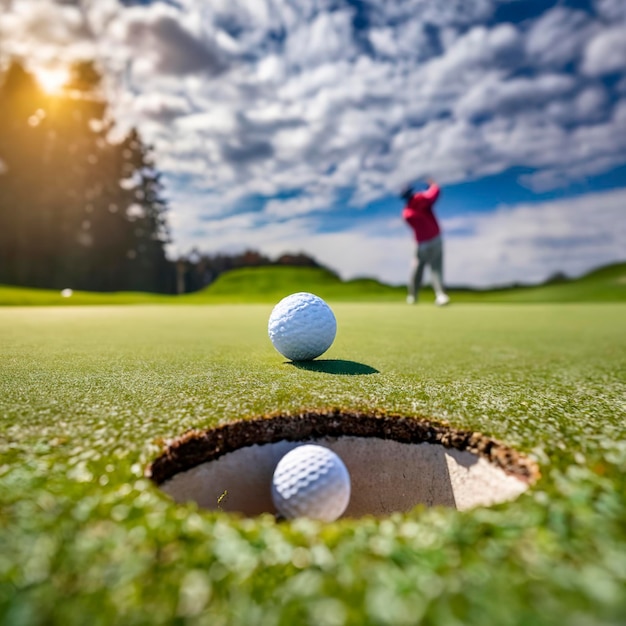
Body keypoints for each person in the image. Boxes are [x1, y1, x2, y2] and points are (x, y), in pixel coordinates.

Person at [401, 177, 450, 306]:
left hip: (427, 241)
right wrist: (432, 183)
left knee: (428, 269)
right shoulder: (419, 201)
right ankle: (420, 295)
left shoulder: (406, 213)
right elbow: (435, 191)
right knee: (430, 269)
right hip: (430, 240)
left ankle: (430, 295)